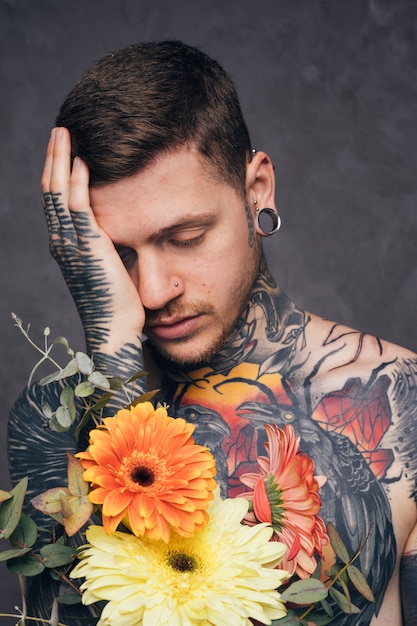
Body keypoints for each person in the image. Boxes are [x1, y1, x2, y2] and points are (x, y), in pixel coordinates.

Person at [8, 40, 417, 625]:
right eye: (117, 256)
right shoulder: (51, 423)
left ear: (257, 193)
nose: (151, 291)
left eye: (186, 237)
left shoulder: (403, 403)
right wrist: (115, 361)